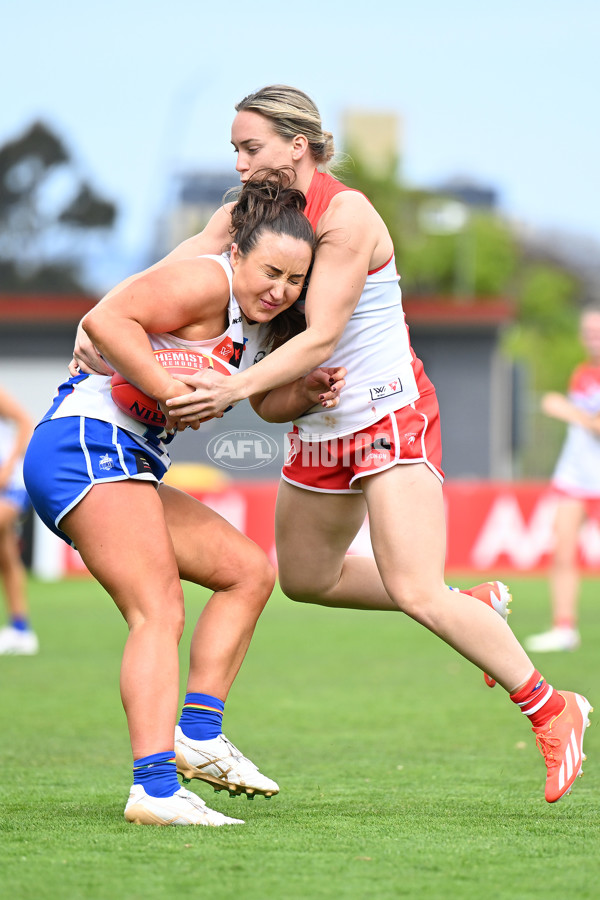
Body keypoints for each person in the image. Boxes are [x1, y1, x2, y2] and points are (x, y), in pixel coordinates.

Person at [72, 85, 592, 804]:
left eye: (251, 148)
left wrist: (229, 392)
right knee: (306, 578)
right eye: (234, 151)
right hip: (314, 422)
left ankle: (550, 706)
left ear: (298, 145)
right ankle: (466, 605)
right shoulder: (247, 216)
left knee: (413, 588)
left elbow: (318, 336)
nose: (242, 163)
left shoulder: (347, 218)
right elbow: (182, 258)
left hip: (385, 416)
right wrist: (96, 319)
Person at [24, 174, 341, 826]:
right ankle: (154, 791)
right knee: (159, 610)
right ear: (238, 257)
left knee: (248, 572)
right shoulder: (207, 281)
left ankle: (197, 735)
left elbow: (261, 401)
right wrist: (167, 389)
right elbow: (104, 320)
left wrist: (307, 392)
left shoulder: (261, 323)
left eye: (293, 281)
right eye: (270, 272)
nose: (279, 290)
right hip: (83, 442)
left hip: (128, 459)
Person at [525, 306, 600, 653]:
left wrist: (563, 408)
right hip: (575, 477)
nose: (591, 338)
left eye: (596, 331)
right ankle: (564, 627)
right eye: (587, 331)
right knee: (563, 550)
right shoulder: (583, 373)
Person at [0, 386, 38, 655]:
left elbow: (25, 421)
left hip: (9, 483)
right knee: (6, 554)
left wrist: (9, 465)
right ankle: (21, 630)